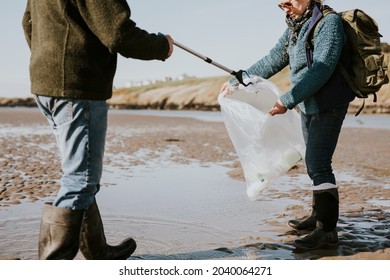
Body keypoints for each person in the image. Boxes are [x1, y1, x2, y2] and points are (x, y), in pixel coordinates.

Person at [22, 0, 173, 260]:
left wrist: (50, 59)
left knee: (80, 173)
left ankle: (98, 252)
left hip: (47, 83)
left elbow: (28, 23)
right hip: (77, 86)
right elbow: (117, 33)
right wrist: (162, 45)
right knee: (80, 179)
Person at [221, 0, 355, 250]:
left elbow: (322, 70)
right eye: (280, 3)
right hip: (307, 104)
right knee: (312, 160)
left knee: (318, 162)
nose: (284, 7)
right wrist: (237, 80)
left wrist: (287, 99)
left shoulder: (329, 23)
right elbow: (273, 59)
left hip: (330, 104)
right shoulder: (295, 26)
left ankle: (327, 230)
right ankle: (317, 217)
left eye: (289, 1)